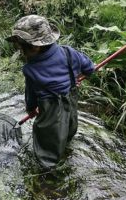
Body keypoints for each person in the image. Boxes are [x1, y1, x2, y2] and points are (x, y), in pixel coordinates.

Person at [6, 15, 95, 169]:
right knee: (68, 127)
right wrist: (76, 78)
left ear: (35, 47)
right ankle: (65, 145)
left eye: (21, 47)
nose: (20, 51)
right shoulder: (68, 52)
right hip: (70, 104)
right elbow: (89, 68)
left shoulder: (30, 69)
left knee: (47, 140)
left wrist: (31, 109)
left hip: (50, 112)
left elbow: (31, 95)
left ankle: (47, 171)